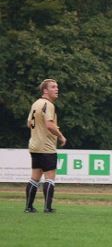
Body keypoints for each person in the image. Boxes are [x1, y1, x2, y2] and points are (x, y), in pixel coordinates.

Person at [24, 79, 67, 213]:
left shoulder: (36, 104)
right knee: (50, 177)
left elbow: (28, 123)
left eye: (57, 87)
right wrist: (60, 135)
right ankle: (47, 207)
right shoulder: (48, 105)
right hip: (46, 147)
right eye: (53, 87)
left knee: (35, 178)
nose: (56, 89)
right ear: (45, 91)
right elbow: (49, 125)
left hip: (34, 145)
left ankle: (29, 207)